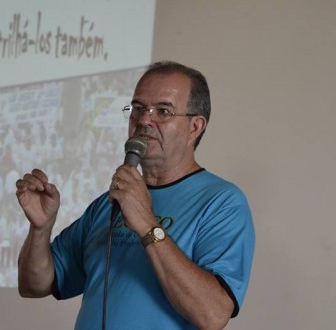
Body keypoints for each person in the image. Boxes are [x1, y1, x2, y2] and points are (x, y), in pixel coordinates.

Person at [16, 61, 255, 330]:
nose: (143, 120)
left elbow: (212, 315)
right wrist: (40, 229)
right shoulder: (109, 203)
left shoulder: (222, 202)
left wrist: (147, 225)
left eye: (163, 111)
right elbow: (34, 285)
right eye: (138, 109)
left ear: (195, 127)